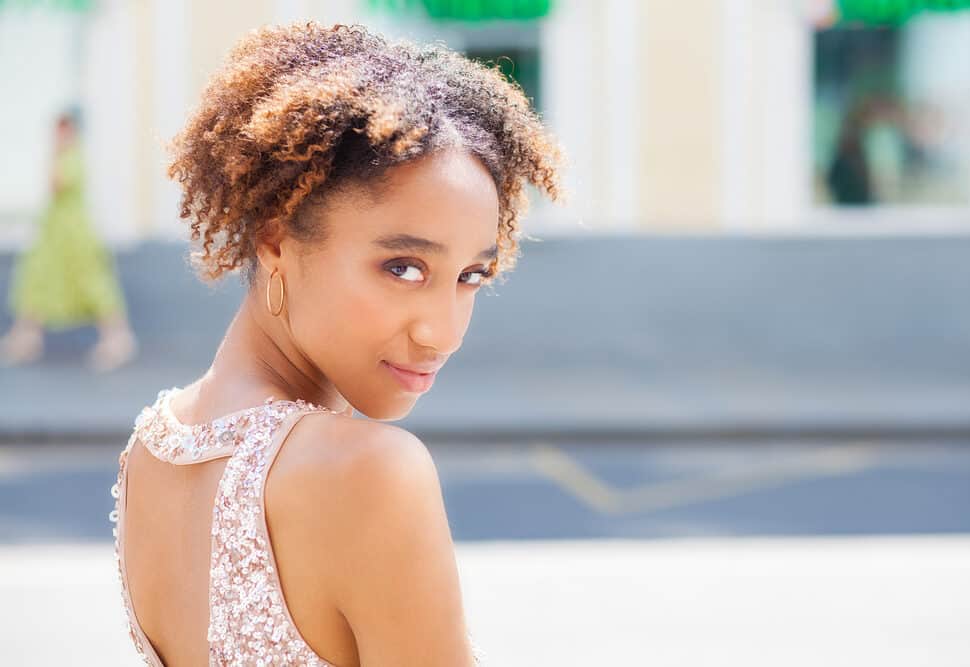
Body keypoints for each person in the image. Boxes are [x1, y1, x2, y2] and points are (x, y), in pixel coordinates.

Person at [109, 21, 564, 666]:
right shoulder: (370, 471)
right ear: (275, 242)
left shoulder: (150, 450)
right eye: (403, 267)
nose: (444, 332)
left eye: (471, 276)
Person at [0, 109, 137, 371]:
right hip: (55, 233)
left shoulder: (71, 156)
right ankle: (27, 336)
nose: (59, 134)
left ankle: (118, 338)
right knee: (36, 281)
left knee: (91, 283)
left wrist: (54, 155)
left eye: (63, 129)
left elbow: (56, 184)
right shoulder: (69, 155)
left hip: (73, 235)